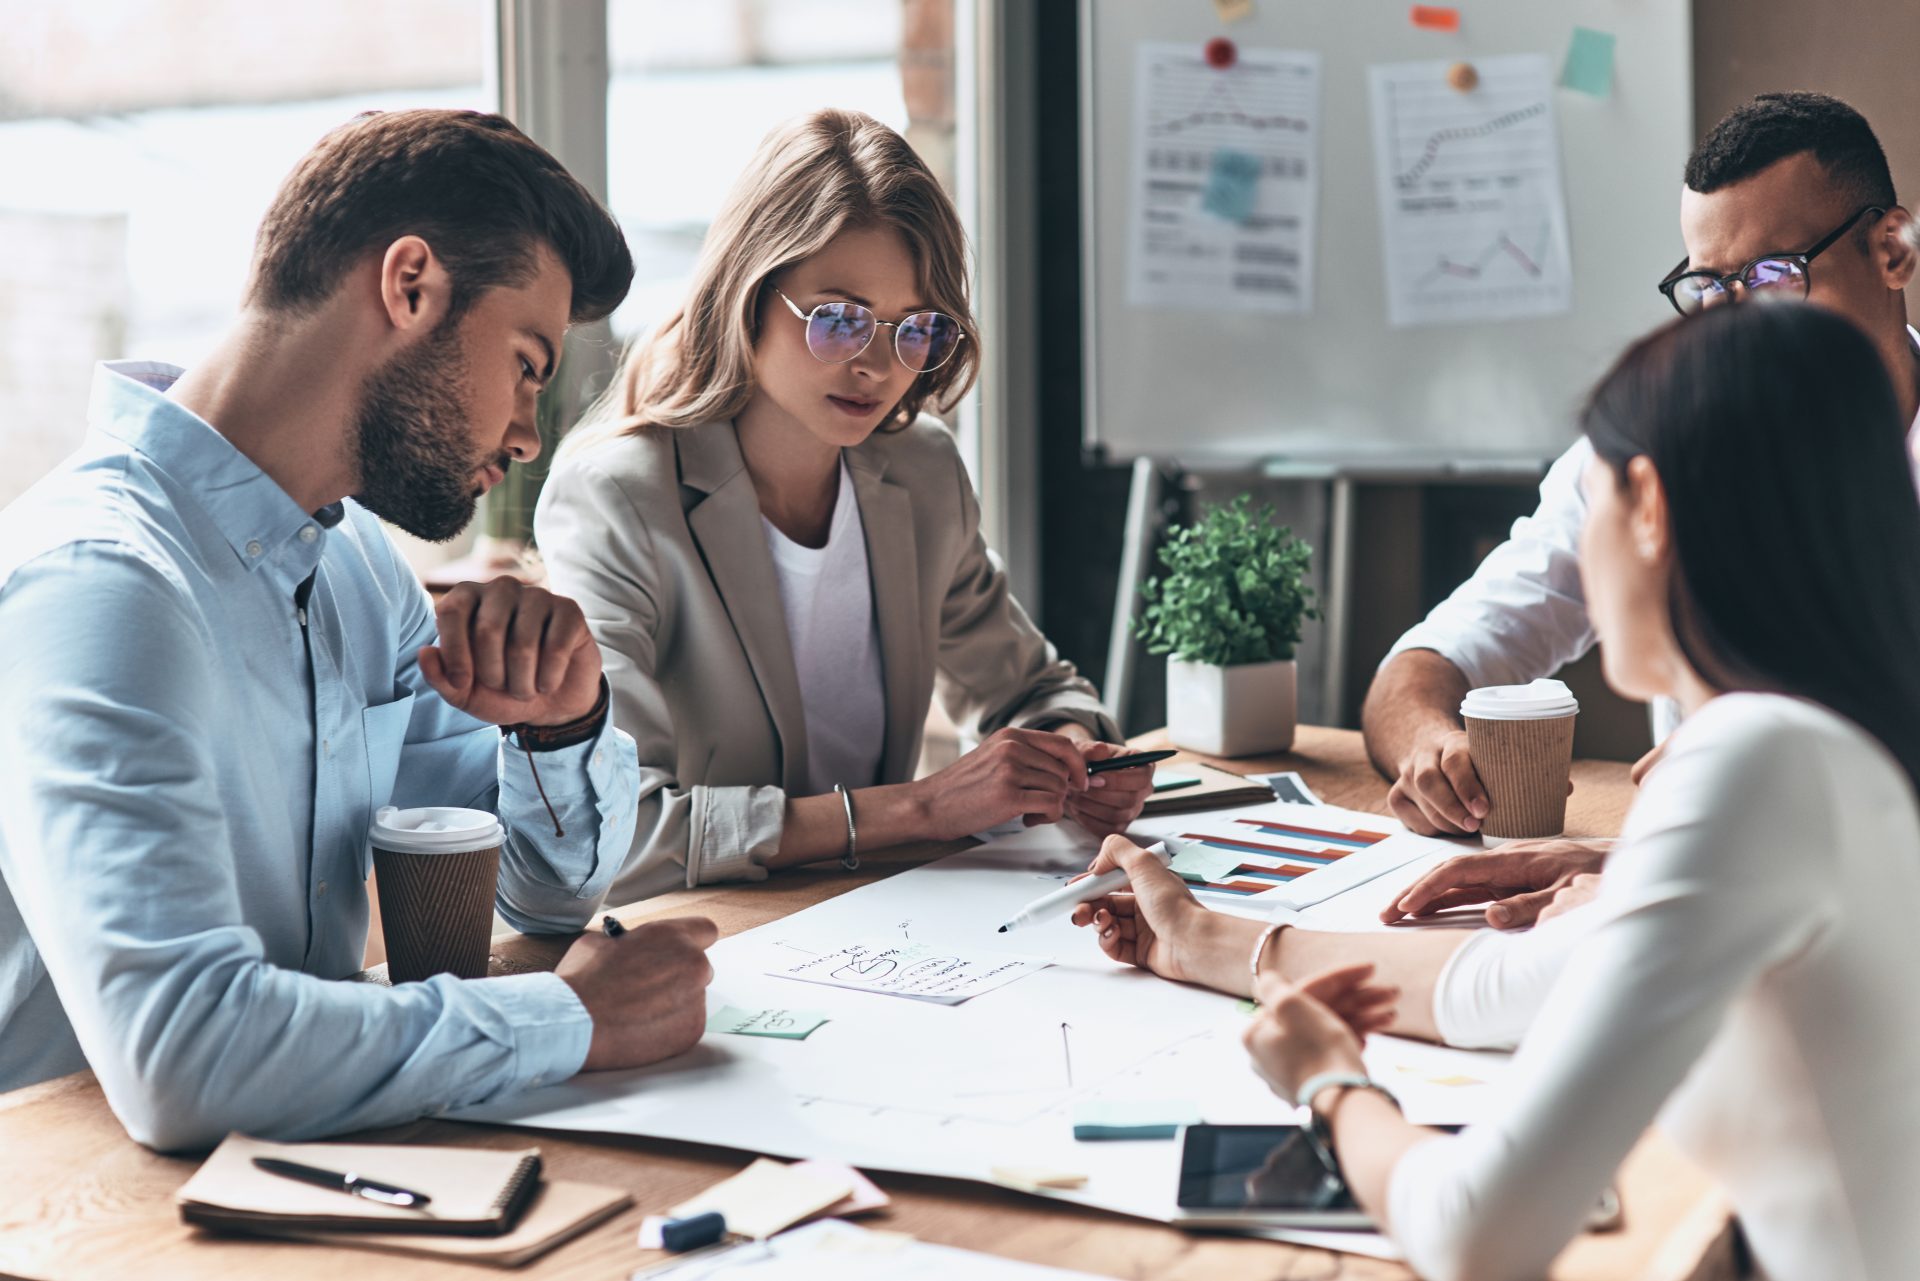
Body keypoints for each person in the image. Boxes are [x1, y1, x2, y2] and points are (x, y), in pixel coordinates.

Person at [1078, 303, 1920, 1280]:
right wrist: (1204, 937)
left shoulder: (1751, 766)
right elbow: (1508, 986)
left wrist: (1331, 1088)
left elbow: (1475, 1235)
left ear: (1645, 504)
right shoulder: (1833, 752)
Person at [0, 110, 719, 1150]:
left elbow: (546, 891)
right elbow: (184, 1058)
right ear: (411, 285)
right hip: (76, 1222)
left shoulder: (352, 566)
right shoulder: (105, 587)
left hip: (301, 1179)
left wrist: (556, 729)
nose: (526, 434)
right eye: (526, 364)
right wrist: (575, 1019)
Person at [536, 109, 1151, 906]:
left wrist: (1073, 757)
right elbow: (620, 831)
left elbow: (1031, 692)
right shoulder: (619, 498)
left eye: (912, 329)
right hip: (703, 939)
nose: (876, 366)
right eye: (838, 319)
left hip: (886, 925)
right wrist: (920, 807)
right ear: (747, 295)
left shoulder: (921, 469)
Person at [1363, 92, 1920, 926]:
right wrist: (1433, 749)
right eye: (1709, 287)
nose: (1732, 326)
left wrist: (1739, 812)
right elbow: (1425, 665)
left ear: (1891, 248)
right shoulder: (1644, 459)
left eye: (1773, 277)